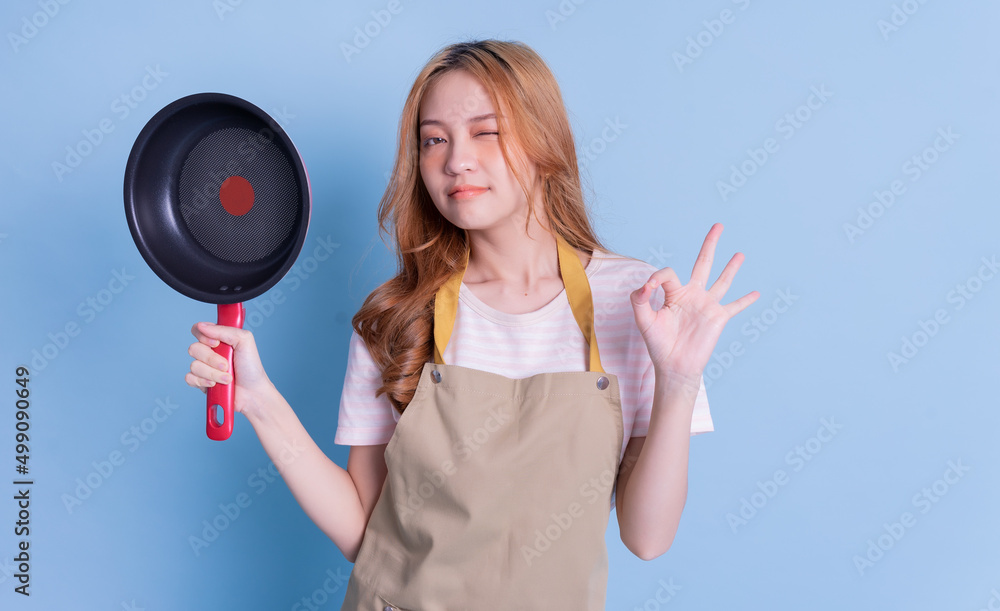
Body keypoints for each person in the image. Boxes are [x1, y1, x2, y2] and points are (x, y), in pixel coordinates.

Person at [185, 39, 759, 610]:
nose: (456, 159)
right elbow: (364, 530)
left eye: (486, 132)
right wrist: (259, 400)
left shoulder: (637, 307)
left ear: (544, 142)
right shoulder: (397, 315)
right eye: (434, 140)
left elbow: (647, 538)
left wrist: (678, 382)